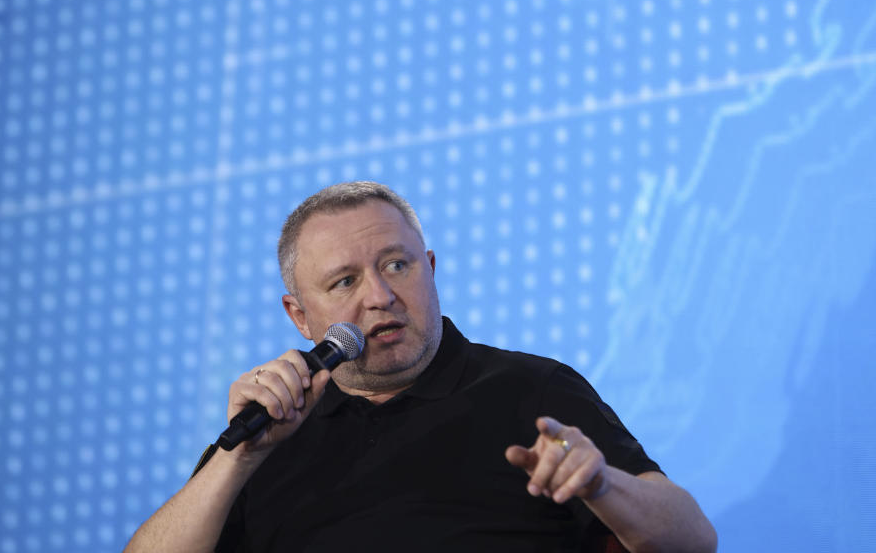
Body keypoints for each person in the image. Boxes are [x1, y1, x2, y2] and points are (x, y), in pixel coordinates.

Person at [125, 181, 717, 552]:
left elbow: (694, 539)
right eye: (345, 281)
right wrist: (240, 460)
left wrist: (600, 484)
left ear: (430, 268)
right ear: (300, 317)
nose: (379, 295)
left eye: (397, 266)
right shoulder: (270, 430)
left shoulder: (527, 389)